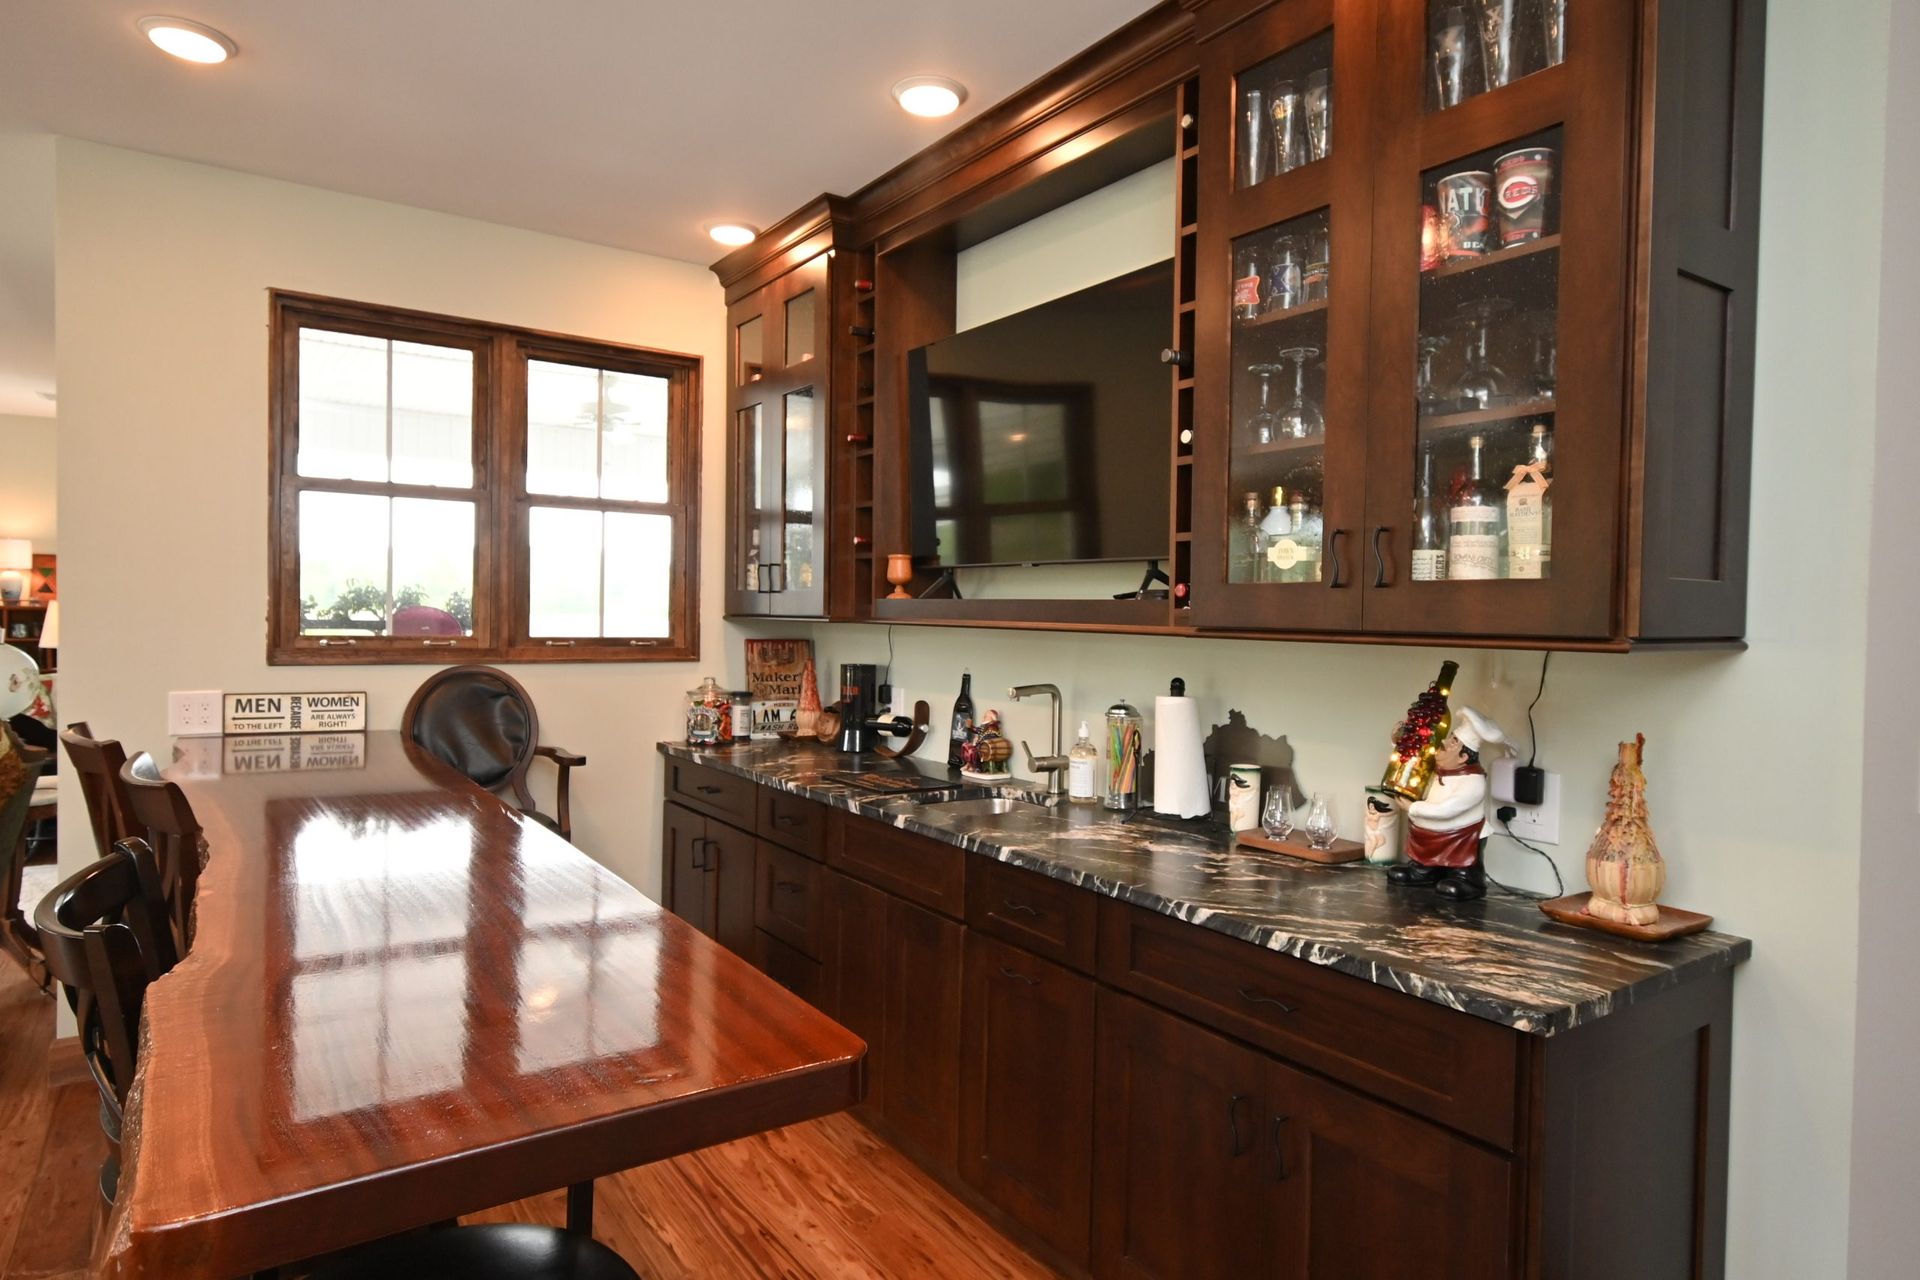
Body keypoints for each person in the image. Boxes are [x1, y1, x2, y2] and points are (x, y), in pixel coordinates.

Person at [1386, 705, 1507, 901]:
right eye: (1450, 738)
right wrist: (1398, 741)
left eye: (1453, 742)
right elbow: (1411, 760)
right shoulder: (1439, 767)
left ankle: (1466, 879)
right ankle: (1424, 870)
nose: (1444, 742)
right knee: (1423, 850)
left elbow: (1447, 810)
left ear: (1463, 757)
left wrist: (1412, 807)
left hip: (1460, 837)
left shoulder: (1473, 782)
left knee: (1464, 864)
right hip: (1428, 835)